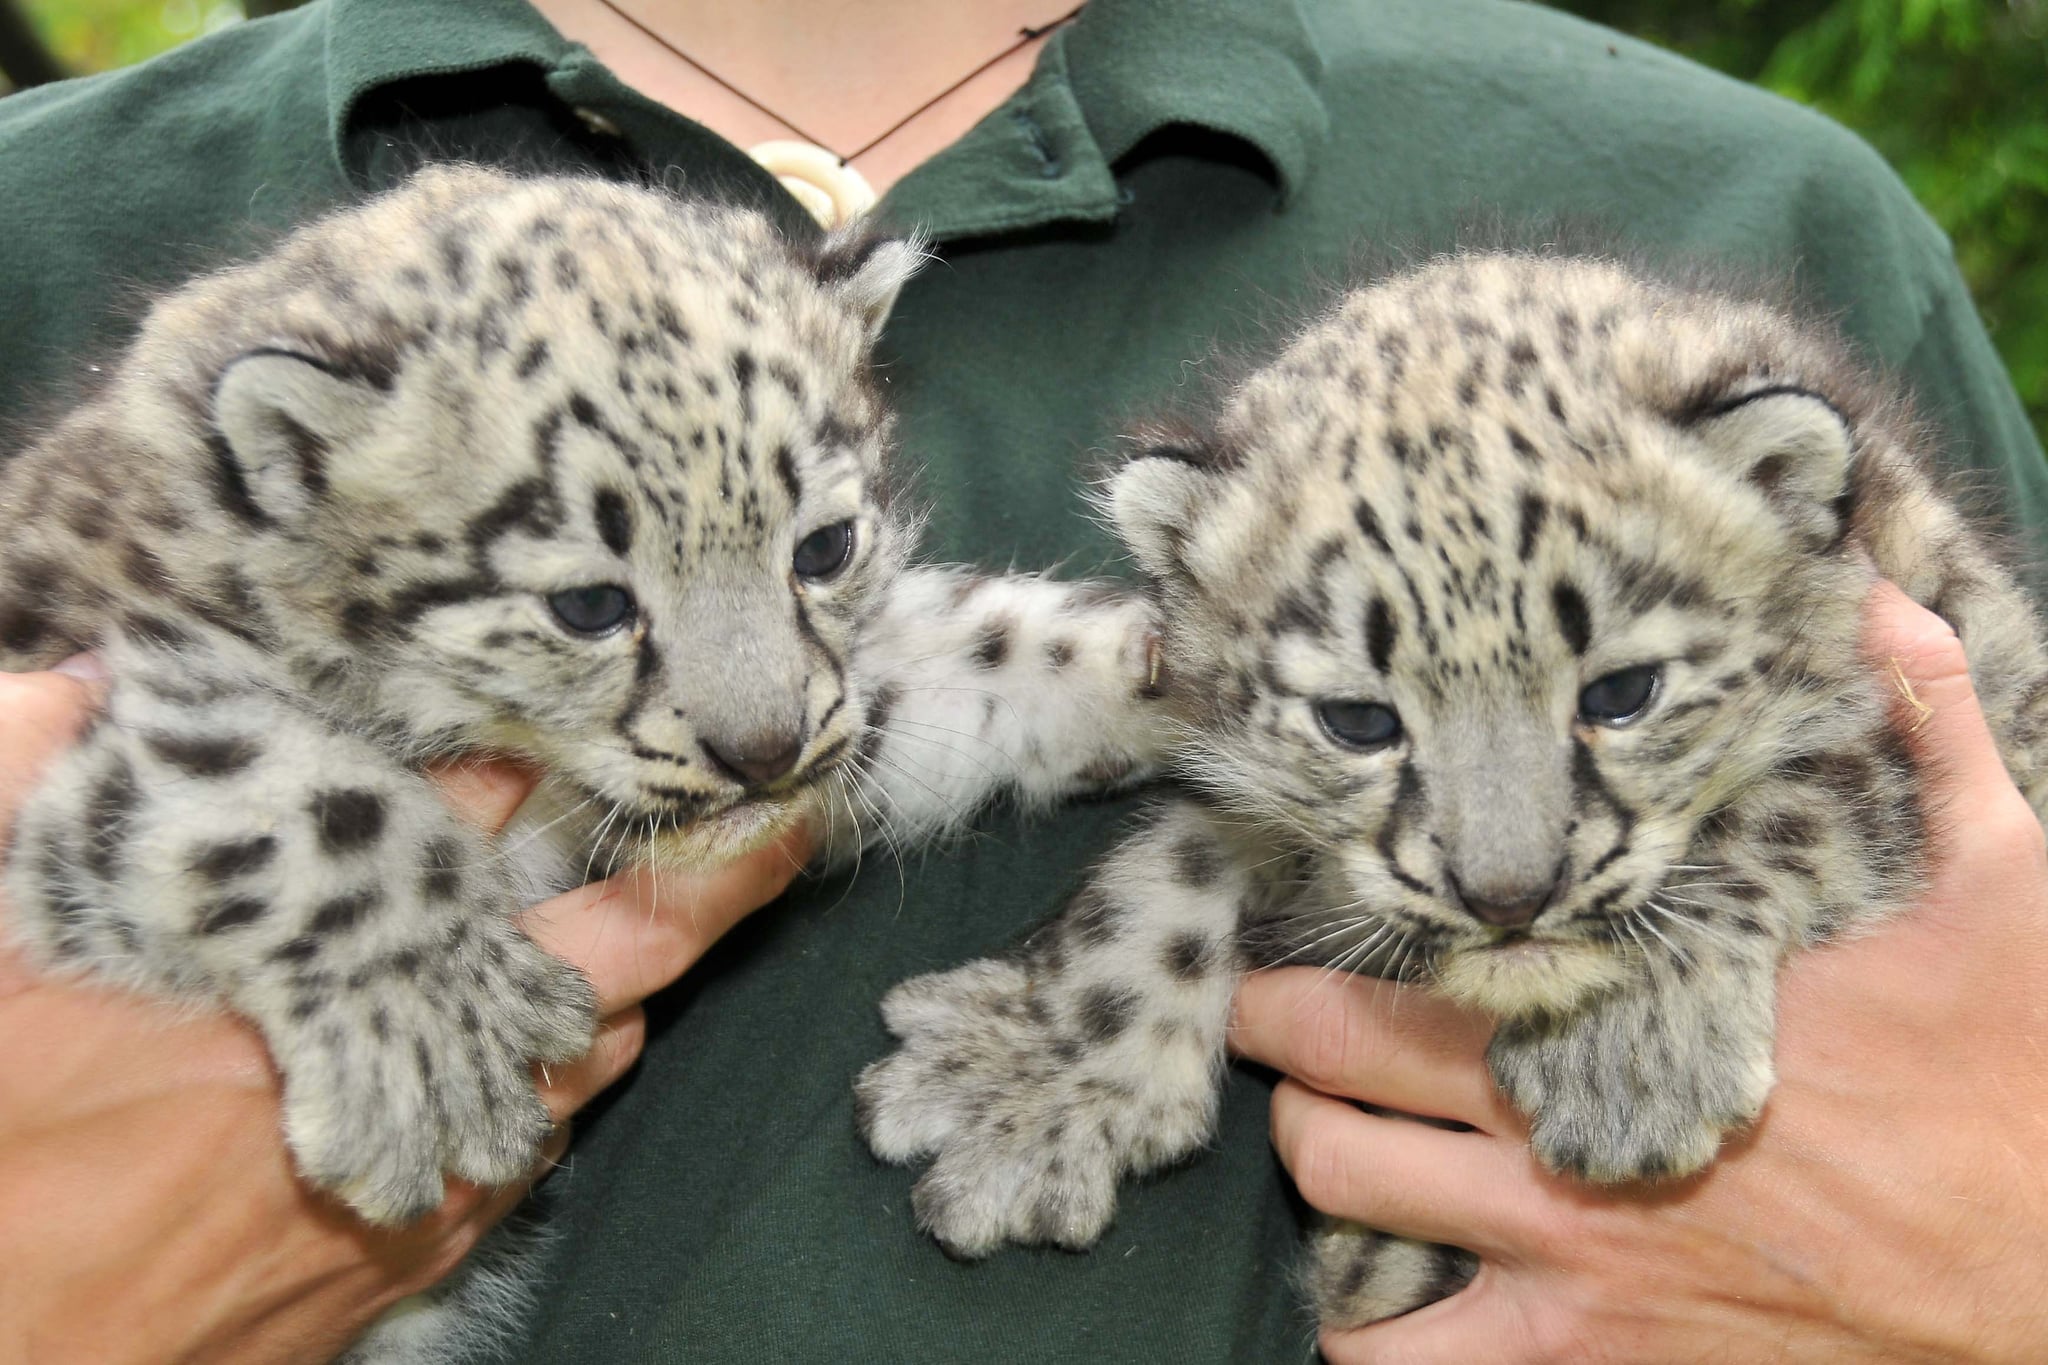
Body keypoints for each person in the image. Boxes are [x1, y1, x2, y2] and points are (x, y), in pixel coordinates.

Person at [1, 0, 2044, 1360]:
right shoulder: (57, 222)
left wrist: (2000, 1265)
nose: (760, 718)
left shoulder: (1746, 226)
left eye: (821, 553)